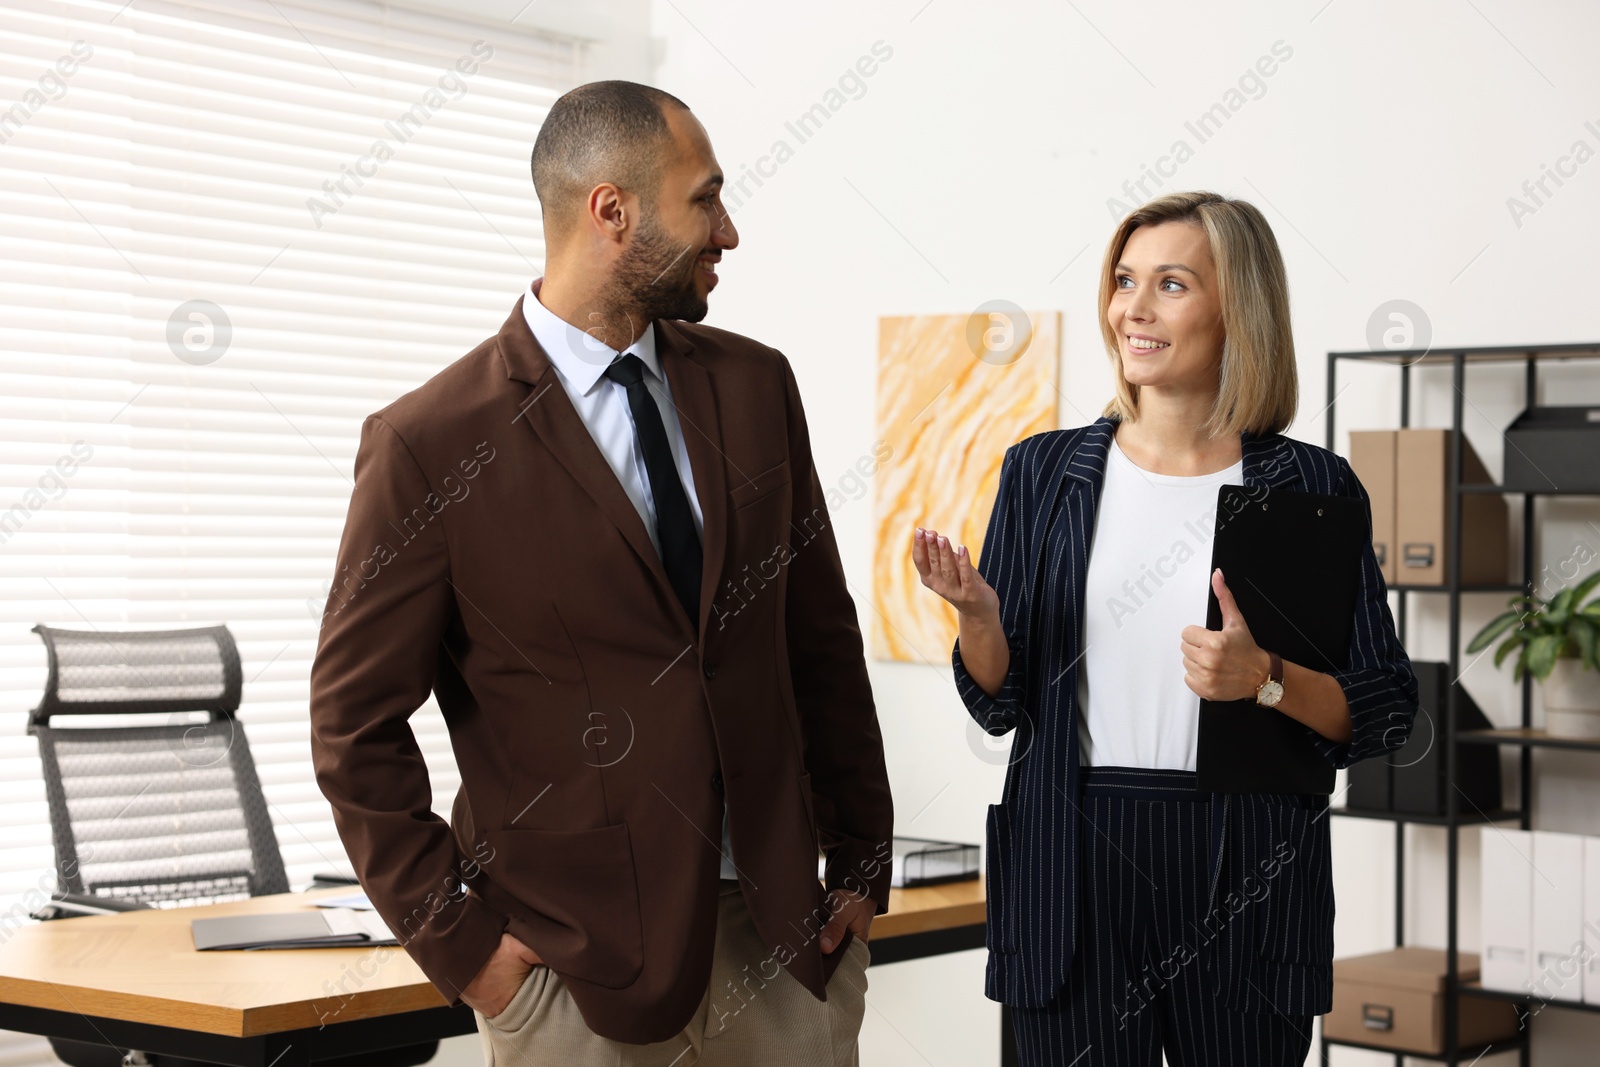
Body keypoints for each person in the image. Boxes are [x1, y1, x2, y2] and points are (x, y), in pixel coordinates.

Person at [309, 80, 893, 1067]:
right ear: (611, 210)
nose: (729, 231)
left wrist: (862, 861)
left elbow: (819, 639)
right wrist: (467, 950)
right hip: (579, 984)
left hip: (784, 952)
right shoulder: (430, 443)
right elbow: (352, 725)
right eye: (704, 199)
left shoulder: (756, 387)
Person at [912, 190, 1418, 1066]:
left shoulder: (1313, 483)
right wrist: (982, 620)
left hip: (1247, 865)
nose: (1132, 311)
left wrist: (1266, 679)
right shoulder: (1045, 471)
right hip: (1072, 857)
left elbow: (1386, 708)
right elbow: (1003, 697)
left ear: (1239, 310)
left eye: (1171, 284)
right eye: (1123, 281)